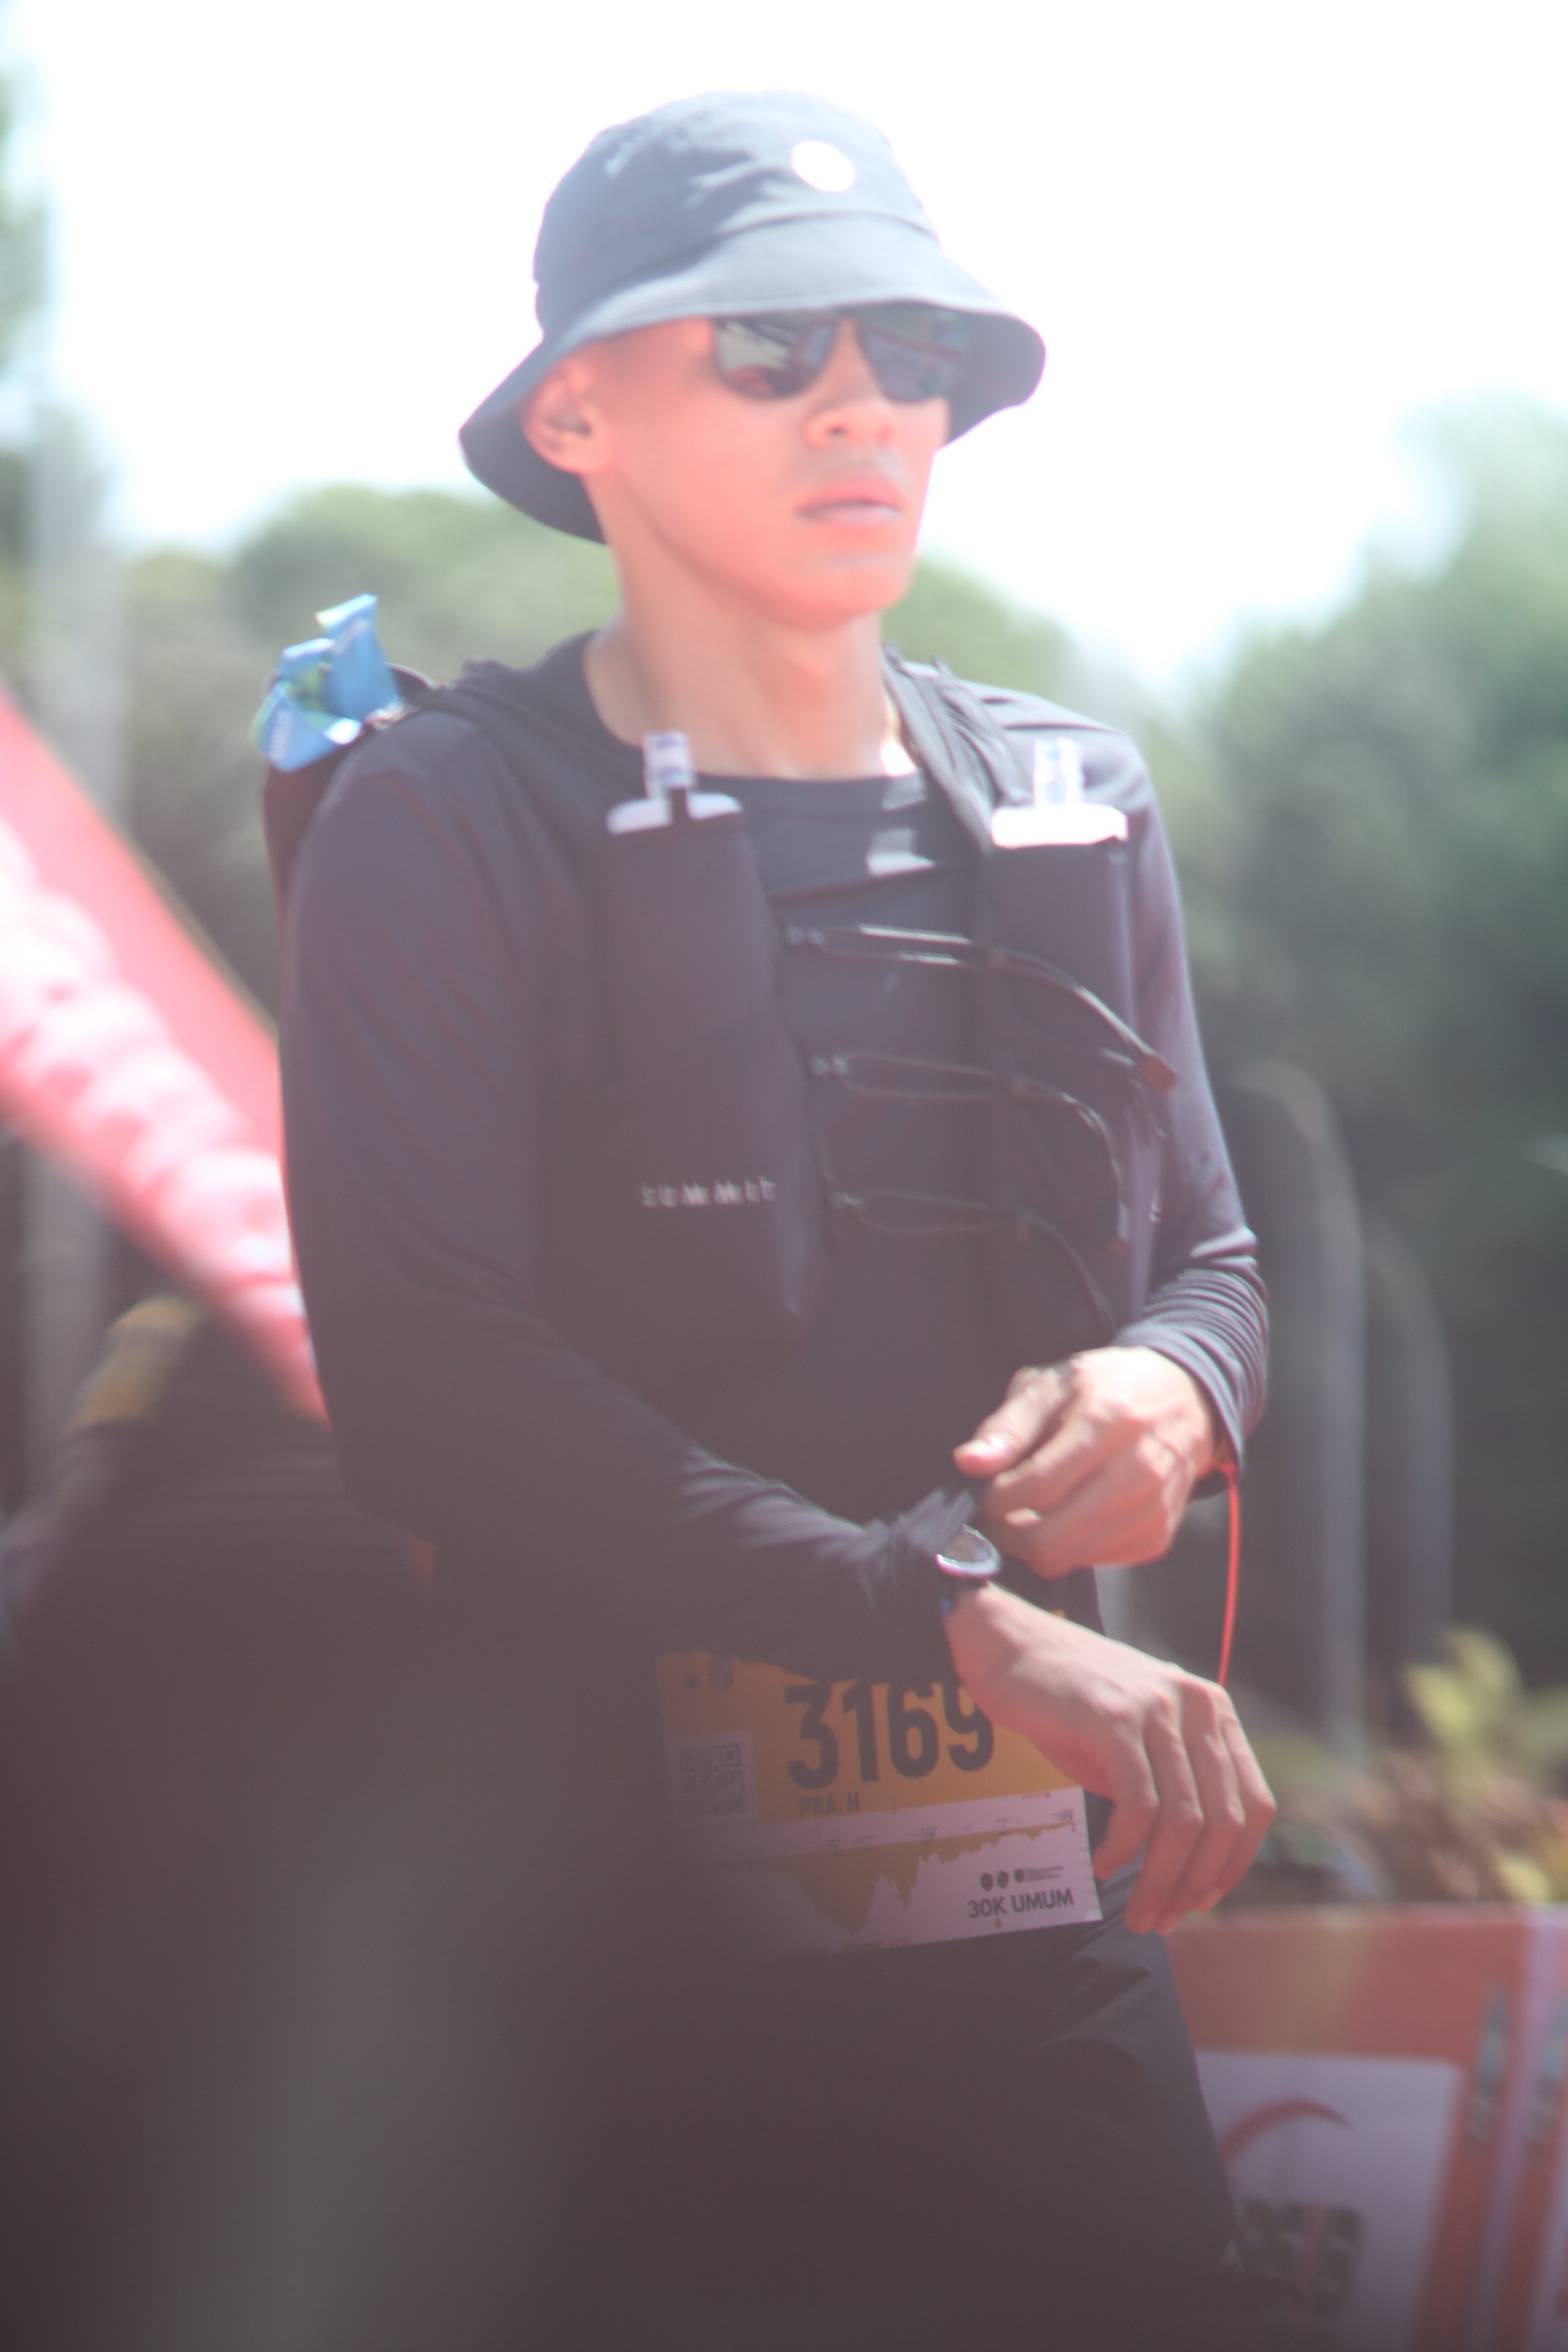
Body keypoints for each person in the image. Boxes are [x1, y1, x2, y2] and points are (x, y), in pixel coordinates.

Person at [280, 91, 1279, 2350]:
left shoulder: (1073, 797)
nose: (860, 402)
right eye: (767, 348)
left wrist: (1173, 1385)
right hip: (599, 1970)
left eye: (908, 350)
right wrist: (959, 1628)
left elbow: (1214, 1262)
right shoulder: (445, 820)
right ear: (575, 415)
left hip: (1034, 1942)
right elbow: (430, 1393)